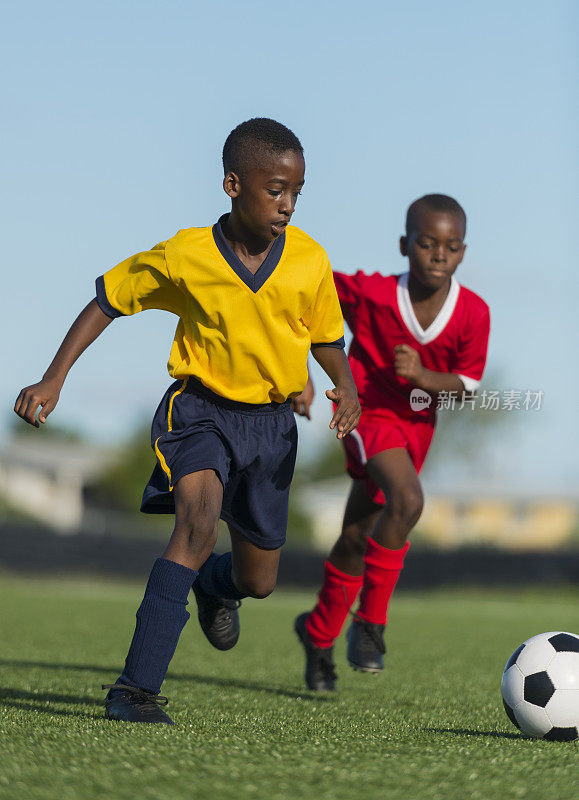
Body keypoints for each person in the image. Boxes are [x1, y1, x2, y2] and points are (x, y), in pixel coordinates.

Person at [14, 118, 360, 724]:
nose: (288, 205)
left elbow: (326, 337)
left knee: (259, 581)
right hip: (198, 413)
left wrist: (346, 386)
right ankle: (134, 690)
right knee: (197, 529)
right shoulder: (187, 255)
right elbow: (107, 300)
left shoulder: (309, 260)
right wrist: (54, 376)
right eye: (275, 189)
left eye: (298, 192)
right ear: (232, 184)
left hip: (272, 429)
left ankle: (215, 586)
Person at [293, 194, 490, 691]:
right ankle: (370, 626)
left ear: (463, 252)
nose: (438, 255)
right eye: (427, 243)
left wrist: (424, 375)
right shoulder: (371, 293)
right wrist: (300, 371)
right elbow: (302, 296)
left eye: (450, 246)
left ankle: (317, 635)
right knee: (407, 500)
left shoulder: (473, 313)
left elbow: (466, 387)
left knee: (359, 537)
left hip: (416, 429)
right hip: (365, 415)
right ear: (405, 245)